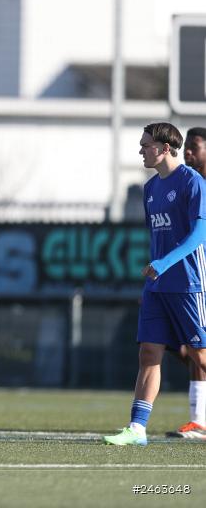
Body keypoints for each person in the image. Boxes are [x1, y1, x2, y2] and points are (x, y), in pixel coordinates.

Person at [104, 122, 206, 446]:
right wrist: (153, 274)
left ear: (164, 148)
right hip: (157, 287)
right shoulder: (150, 189)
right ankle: (137, 428)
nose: (141, 150)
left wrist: (164, 263)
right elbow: (157, 240)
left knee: (200, 356)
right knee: (149, 352)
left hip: (188, 282)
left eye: (146, 145)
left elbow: (200, 234)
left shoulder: (193, 182)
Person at [165, 127, 206, 439]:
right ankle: (198, 419)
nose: (188, 152)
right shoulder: (187, 184)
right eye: (187, 146)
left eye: (194, 146)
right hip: (186, 275)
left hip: (199, 275)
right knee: (192, 347)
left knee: (197, 347)